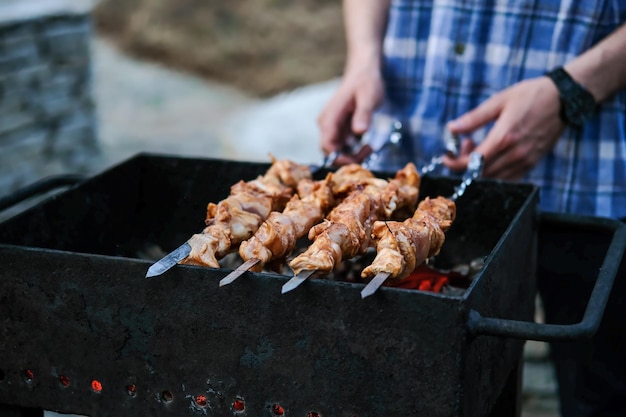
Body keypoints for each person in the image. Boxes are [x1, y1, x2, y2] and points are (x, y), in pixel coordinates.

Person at [317, 1, 626, 416]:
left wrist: (571, 90)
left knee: (599, 397)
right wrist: (363, 58)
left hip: (588, 179)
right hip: (405, 152)